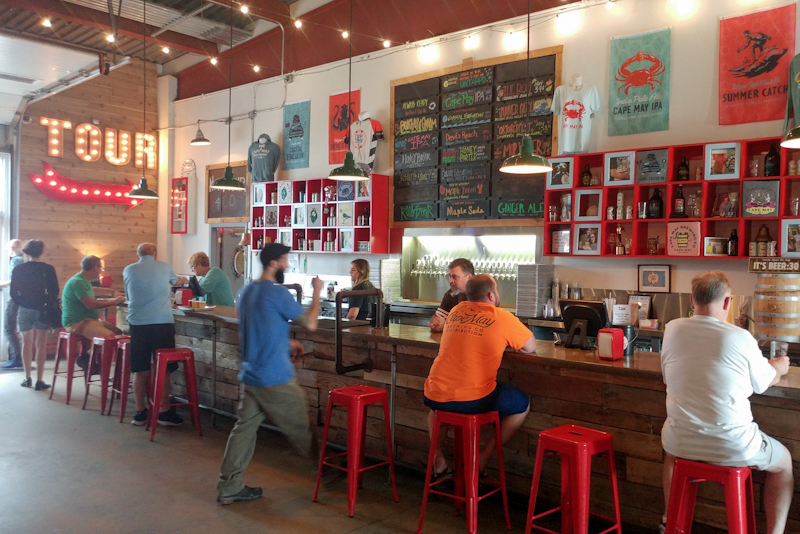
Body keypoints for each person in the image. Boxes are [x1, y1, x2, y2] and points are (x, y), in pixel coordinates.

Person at [660, 271, 792, 534]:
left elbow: (667, 375)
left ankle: (670, 521)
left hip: (681, 442)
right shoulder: (740, 338)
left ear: (691, 300)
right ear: (727, 302)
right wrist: (778, 367)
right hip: (732, 446)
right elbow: (764, 382)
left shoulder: (672, 329)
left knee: (672, 452)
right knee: (784, 463)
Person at [217, 243, 323, 505]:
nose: (287, 264)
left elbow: (258, 329)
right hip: (274, 377)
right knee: (304, 427)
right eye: (285, 259)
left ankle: (228, 486)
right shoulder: (277, 293)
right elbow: (311, 323)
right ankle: (329, 475)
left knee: (243, 431)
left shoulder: (246, 292)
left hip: (250, 374)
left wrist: (285, 344)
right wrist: (317, 292)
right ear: (274, 263)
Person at [423, 274, 537, 476]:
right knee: (522, 404)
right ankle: (482, 458)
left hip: (433, 393)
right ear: (491, 296)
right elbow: (531, 347)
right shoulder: (502, 317)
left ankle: (437, 458)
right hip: (473, 399)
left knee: (437, 406)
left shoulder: (457, 310)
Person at [123, 243, 188, 427]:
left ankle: (140, 412)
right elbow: (176, 282)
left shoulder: (128, 270)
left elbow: (129, 295)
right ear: (155, 254)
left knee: (140, 369)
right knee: (164, 369)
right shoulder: (165, 267)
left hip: (138, 324)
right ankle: (164, 411)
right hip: (162, 323)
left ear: (138, 255)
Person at [9, 240, 58, 390]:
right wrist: (46, 303)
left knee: (26, 343)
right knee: (41, 345)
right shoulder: (48, 269)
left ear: (26, 251)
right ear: (41, 251)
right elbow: (54, 291)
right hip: (42, 309)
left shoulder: (19, 269)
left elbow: (13, 293)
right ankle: (40, 379)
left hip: (25, 309)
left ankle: (27, 377)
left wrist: (23, 303)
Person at [62, 255, 125, 370]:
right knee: (110, 338)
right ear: (95, 267)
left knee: (118, 333)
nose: (101, 270)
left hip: (89, 321)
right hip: (78, 323)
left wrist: (113, 292)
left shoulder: (83, 281)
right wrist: (115, 301)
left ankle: (93, 360)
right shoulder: (78, 282)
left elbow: (93, 290)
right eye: (100, 268)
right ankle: (85, 358)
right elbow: (91, 305)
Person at [428, 258, 474, 333]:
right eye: (450, 276)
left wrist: (447, 323)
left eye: (455, 277)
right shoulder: (451, 294)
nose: (450, 281)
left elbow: (478, 325)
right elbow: (436, 319)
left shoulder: (480, 294)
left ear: (469, 277)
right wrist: (437, 324)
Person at [1, 239, 23, 369]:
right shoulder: (24, 260)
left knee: (8, 328)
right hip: (23, 299)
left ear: (13, 248)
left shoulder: (15, 261)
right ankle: (19, 357)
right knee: (18, 328)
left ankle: (17, 358)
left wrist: (1, 284)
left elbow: (14, 280)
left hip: (14, 298)